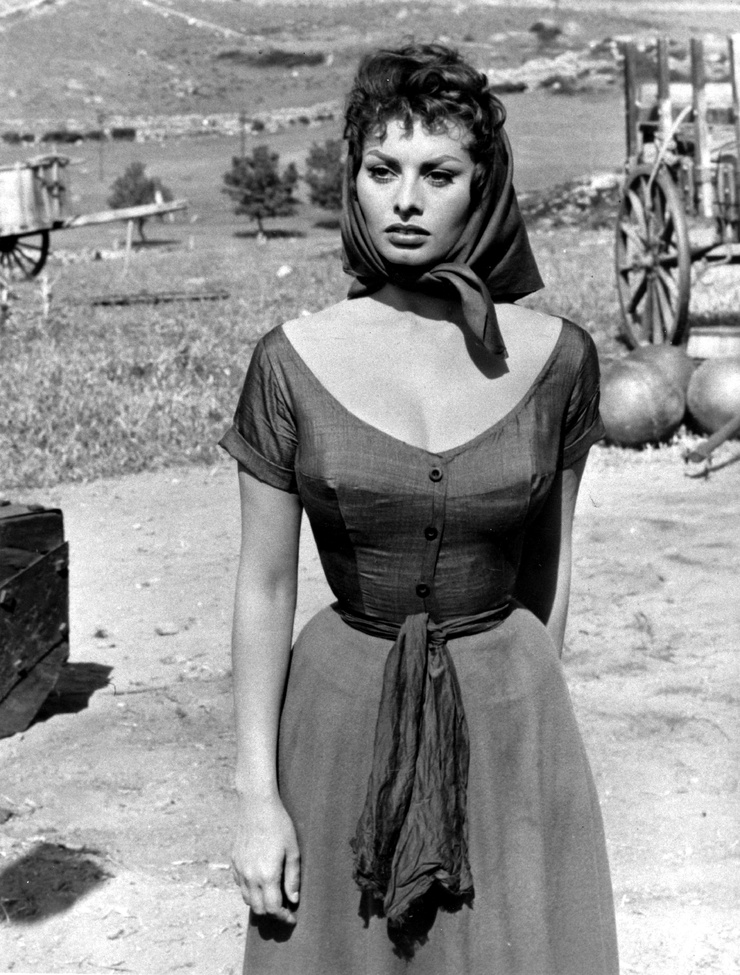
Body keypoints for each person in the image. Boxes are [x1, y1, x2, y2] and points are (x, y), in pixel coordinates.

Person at [219, 42, 619, 975]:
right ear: (353, 182)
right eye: (381, 170)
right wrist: (257, 796)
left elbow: (551, 569)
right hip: (340, 721)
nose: (405, 200)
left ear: (482, 187)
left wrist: (517, 733)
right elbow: (265, 583)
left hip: (508, 718)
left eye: (438, 174)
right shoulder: (289, 361)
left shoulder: (559, 358)